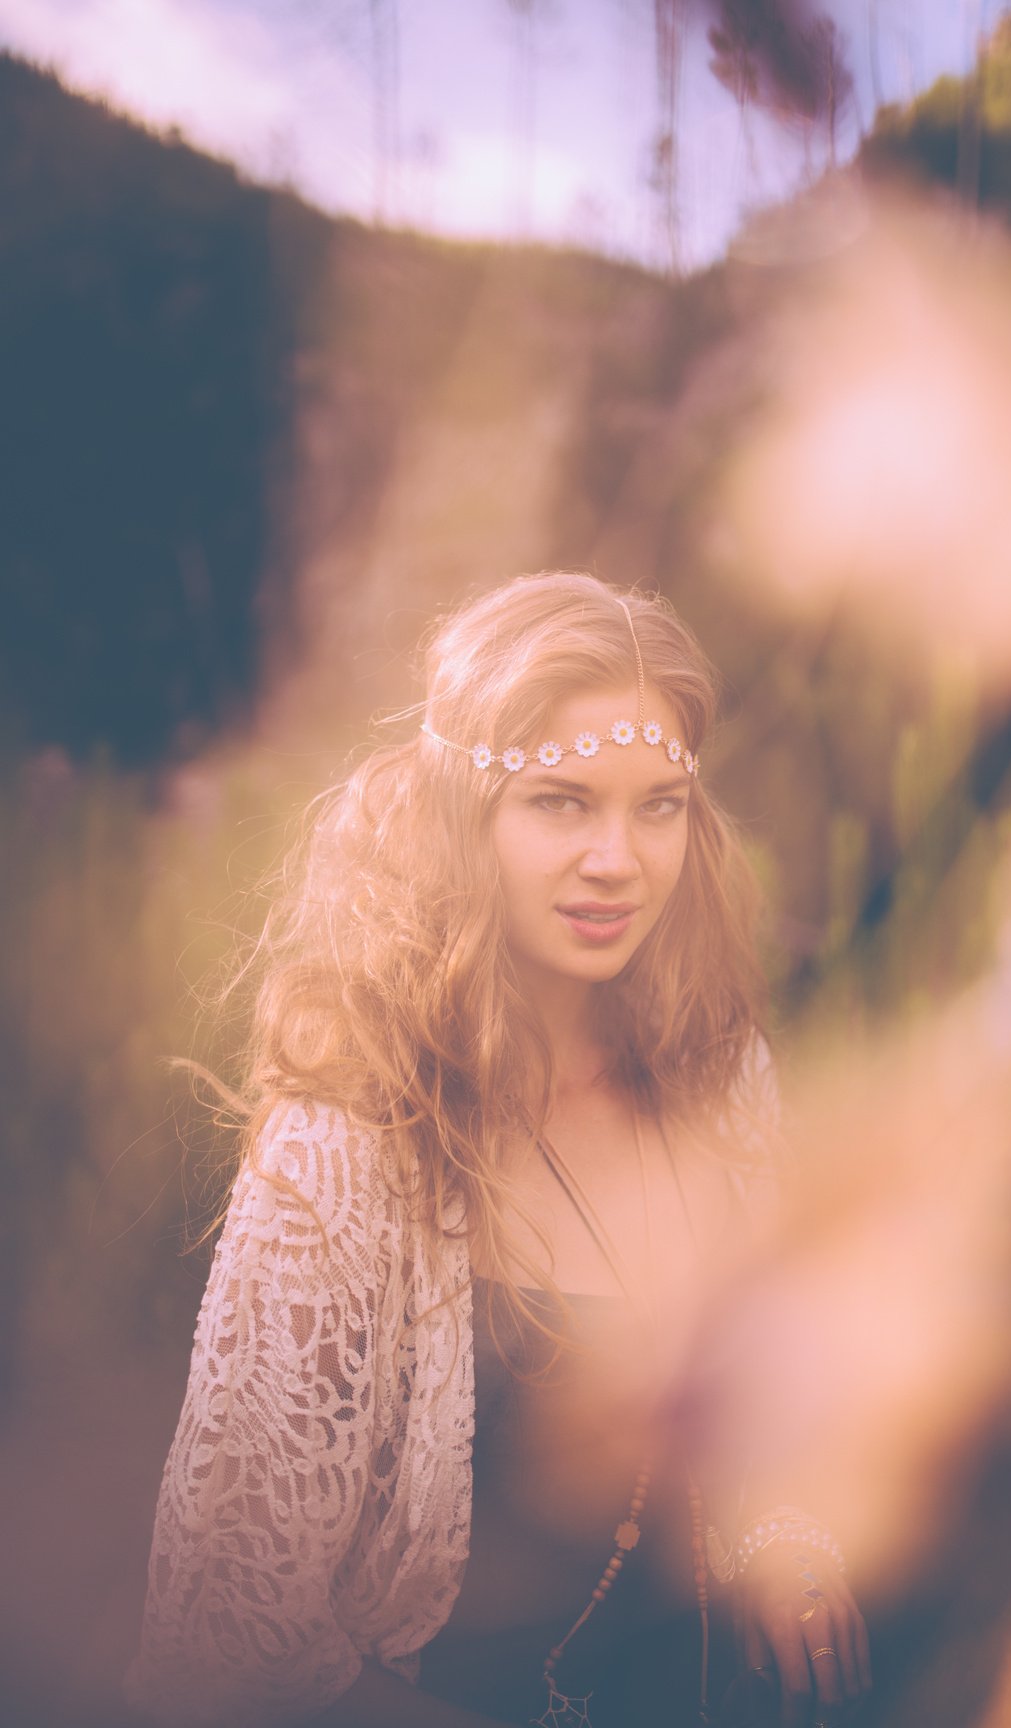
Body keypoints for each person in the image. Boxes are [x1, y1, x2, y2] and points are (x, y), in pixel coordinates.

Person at [128, 572, 868, 1728]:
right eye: (563, 803)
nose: (619, 859)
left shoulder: (727, 1088)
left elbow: (771, 1422)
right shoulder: (352, 1147)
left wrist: (788, 1535)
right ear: (460, 819)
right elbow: (235, 1627)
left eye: (657, 805)